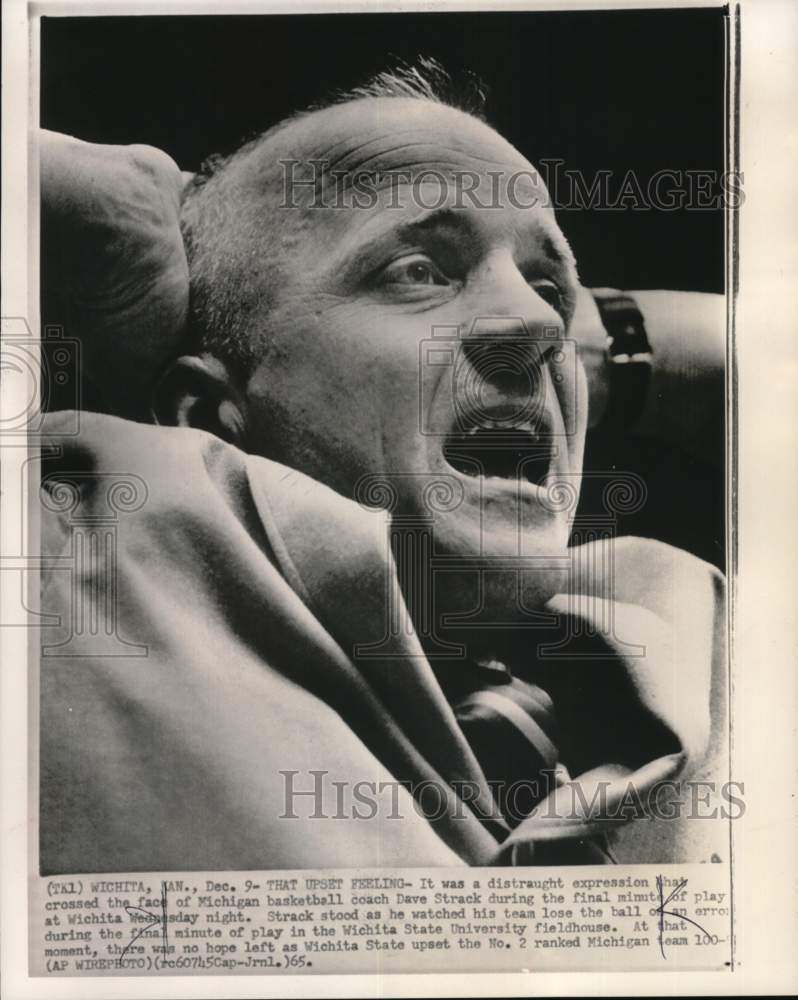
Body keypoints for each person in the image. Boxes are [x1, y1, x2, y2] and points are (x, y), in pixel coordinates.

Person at [38, 63, 726, 873]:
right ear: (205, 416)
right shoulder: (74, 550)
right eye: (419, 271)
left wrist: (601, 345)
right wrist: (122, 202)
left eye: (548, 289)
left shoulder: (703, 637)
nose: (542, 325)